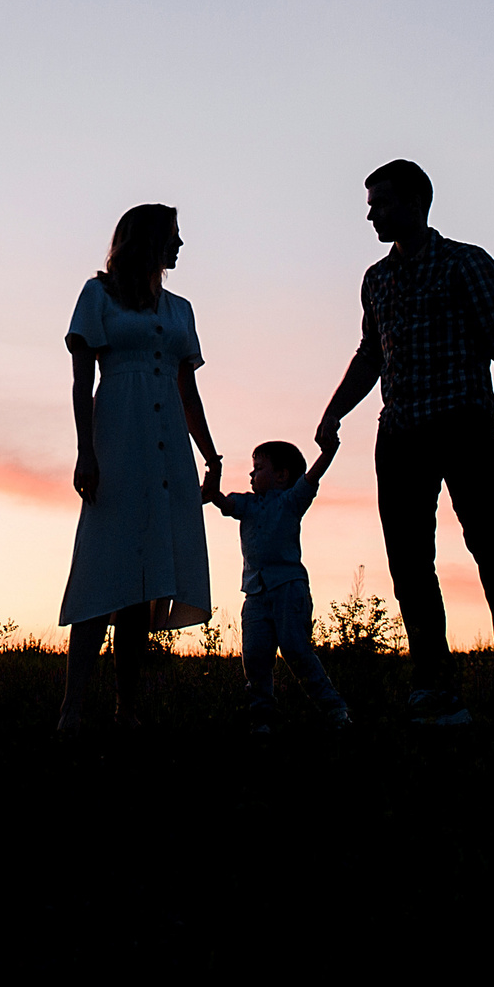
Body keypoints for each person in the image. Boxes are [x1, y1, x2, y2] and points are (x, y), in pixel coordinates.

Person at [315, 160, 494, 725]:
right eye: (370, 204)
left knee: (490, 544)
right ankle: (434, 685)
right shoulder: (377, 279)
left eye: (381, 202)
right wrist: (334, 411)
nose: (371, 213)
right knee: (410, 562)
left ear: (417, 202)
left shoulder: (467, 264)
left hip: (463, 424)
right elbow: (371, 354)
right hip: (399, 436)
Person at [58, 203, 221, 731]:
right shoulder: (97, 295)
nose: (179, 246)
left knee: (145, 582)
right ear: (146, 239)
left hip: (169, 448)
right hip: (117, 440)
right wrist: (86, 450)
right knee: (101, 569)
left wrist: (210, 455)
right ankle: (72, 710)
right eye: (172, 236)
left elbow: (187, 391)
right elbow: (83, 382)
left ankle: (127, 709)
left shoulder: (180, 310)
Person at [204, 438, 350, 731]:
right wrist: (210, 488)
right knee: (256, 654)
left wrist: (328, 451)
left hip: (288, 588)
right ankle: (262, 714)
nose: (251, 474)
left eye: (258, 468)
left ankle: (335, 710)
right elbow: (223, 501)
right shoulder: (247, 503)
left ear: (282, 475)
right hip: (255, 592)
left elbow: (312, 477)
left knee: (296, 649)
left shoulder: (291, 500)